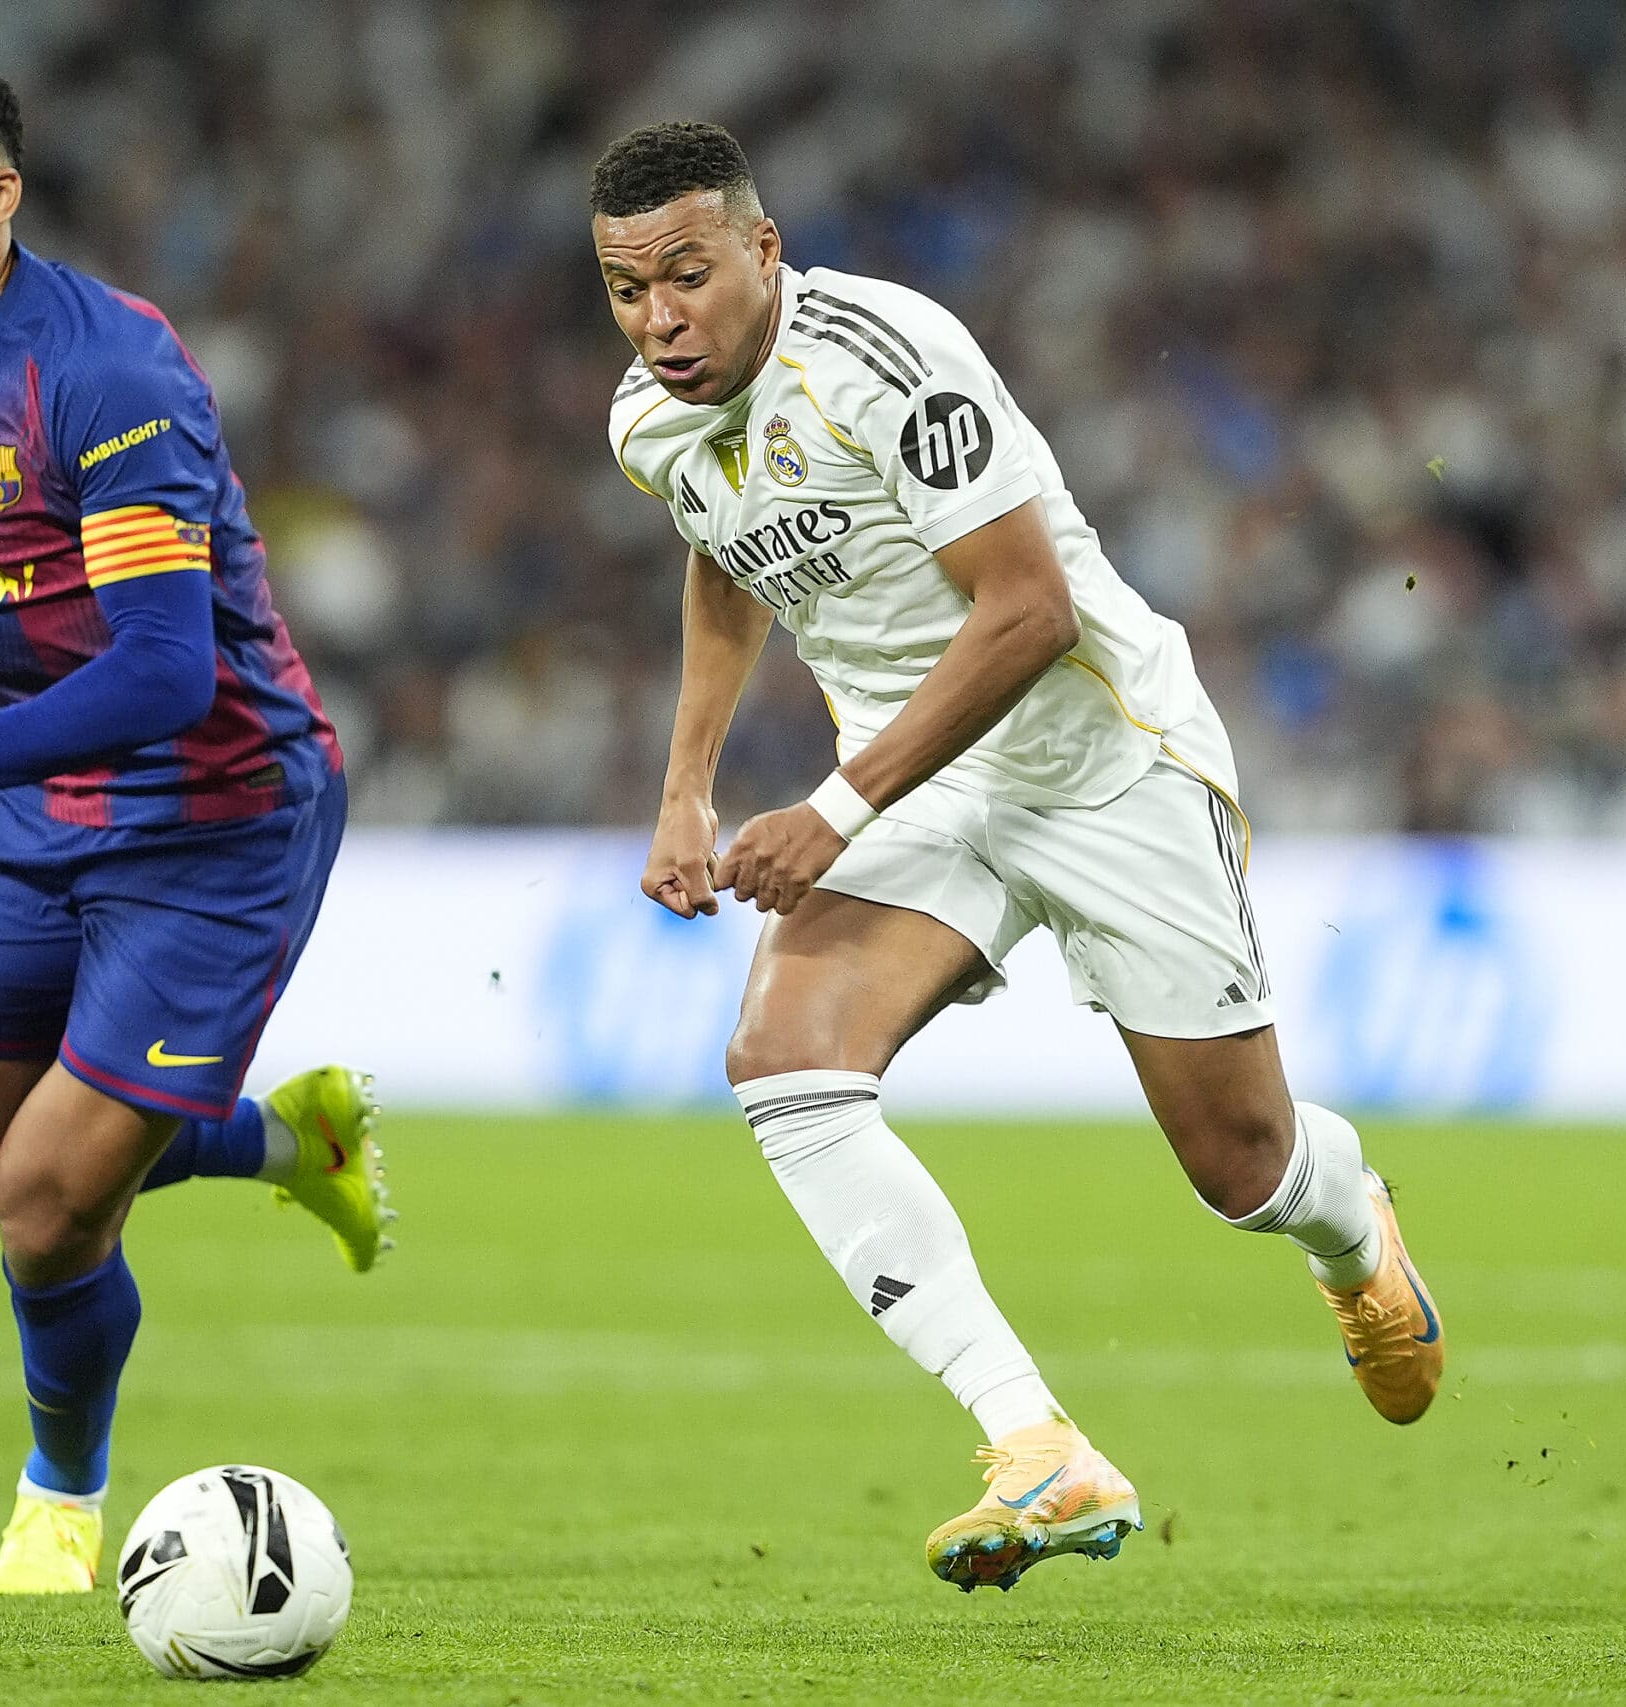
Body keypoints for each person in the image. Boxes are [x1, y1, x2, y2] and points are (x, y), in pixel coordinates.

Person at [590, 122, 1443, 1593]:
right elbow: (723, 549)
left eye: (688, 275)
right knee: (785, 1061)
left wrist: (832, 808)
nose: (660, 319)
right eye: (625, 290)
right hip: (922, 783)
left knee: (1241, 1167)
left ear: (763, 250)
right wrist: (687, 788)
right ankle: (1035, 1441)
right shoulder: (649, 421)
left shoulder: (890, 357)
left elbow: (1030, 611)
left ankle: (1349, 1222)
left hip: (1103, 765)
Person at [0, 46, 390, 1596]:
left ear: (0, 192)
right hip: (51, 801)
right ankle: (285, 1137)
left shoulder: (104, 372)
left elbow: (169, 674)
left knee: (45, 1201)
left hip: (220, 815)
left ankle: (61, 1496)